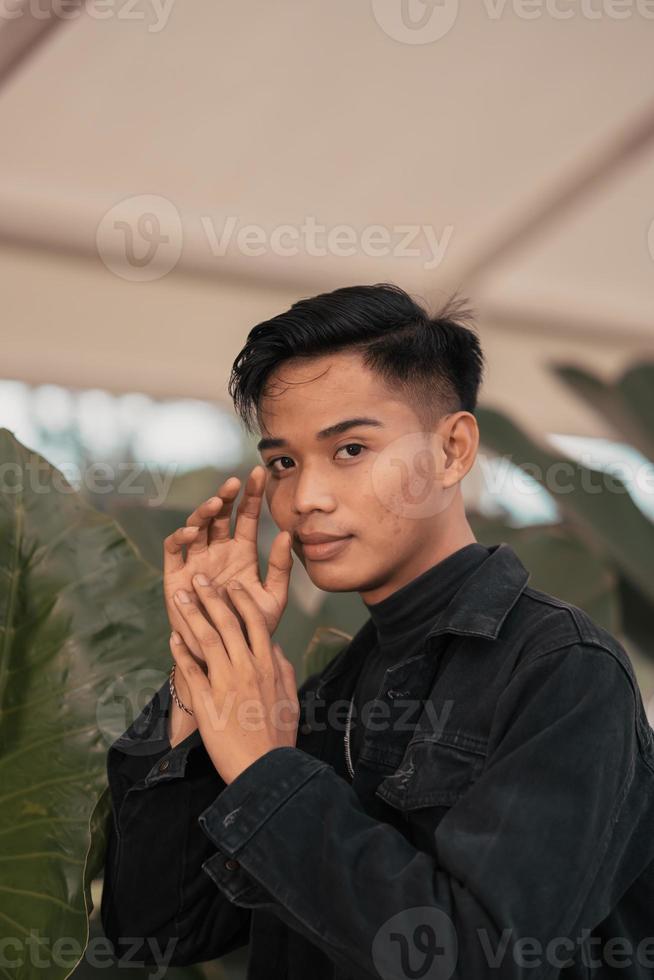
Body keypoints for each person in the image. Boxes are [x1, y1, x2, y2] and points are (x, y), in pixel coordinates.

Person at [101, 283, 654, 980]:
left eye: (352, 449)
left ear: (453, 450)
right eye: (283, 463)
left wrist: (268, 772)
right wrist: (204, 662)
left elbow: (478, 959)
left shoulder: (563, 673)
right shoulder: (320, 693)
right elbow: (157, 931)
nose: (306, 498)